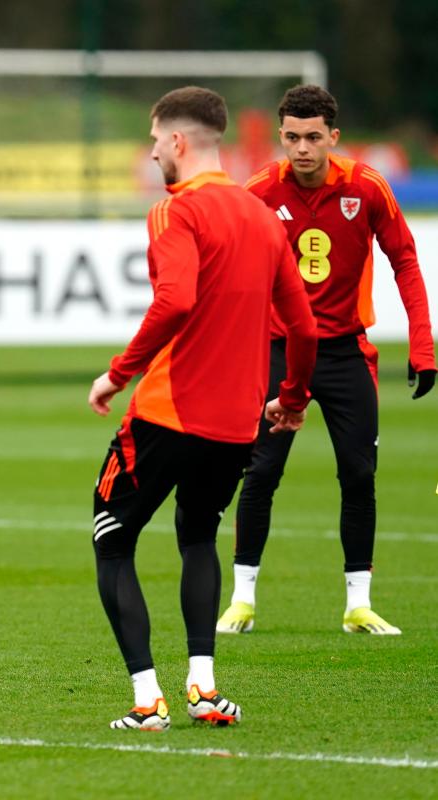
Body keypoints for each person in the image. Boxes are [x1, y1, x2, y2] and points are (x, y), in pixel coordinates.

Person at [88, 86, 317, 731]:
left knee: (112, 541)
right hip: (236, 423)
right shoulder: (262, 218)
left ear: (179, 142)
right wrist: (293, 400)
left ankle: (145, 699)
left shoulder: (175, 210)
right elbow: (303, 329)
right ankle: (204, 690)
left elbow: (176, 301)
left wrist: (116, 374)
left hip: (167, 411)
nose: (153, 150)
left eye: (156, 139)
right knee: (197, 538)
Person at [217, 85, 435, 637]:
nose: (302, 149)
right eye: (291, 137)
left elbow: (405, 261)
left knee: (359, 475)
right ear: (281, 136)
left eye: (313, 137)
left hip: (344, 354)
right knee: (261, 470)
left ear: (333, 138)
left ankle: (357, 604)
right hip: (277, 350)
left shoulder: (366, 188)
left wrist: (422, 344)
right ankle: (242, 600)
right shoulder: (260, 190)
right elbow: (226, 266)